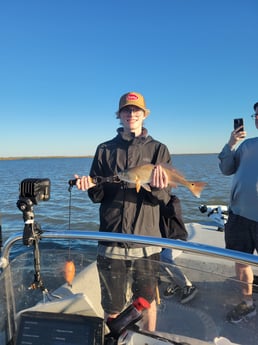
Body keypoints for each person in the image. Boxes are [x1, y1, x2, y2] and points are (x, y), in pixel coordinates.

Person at [74, 91, 172, 331]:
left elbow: (165, 198)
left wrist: (158, 188)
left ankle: (147, 338)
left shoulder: (159, 149)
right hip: (112, 239)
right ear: (119, 115)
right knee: (112, 304)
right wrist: (88, 186)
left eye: (136, 110)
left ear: (144, 115)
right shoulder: (104, 149)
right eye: (126, 110)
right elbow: (98, 195)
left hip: (146, 240)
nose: (131, 114)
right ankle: (116, 338)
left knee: (147, 302)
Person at [218, 102, 258, 323]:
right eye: (257, 115)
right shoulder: (246, 146)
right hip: (239, 217)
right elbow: (226, 169)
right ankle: (248, 303)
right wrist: (231, 144)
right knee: (241, 262)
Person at [159, 195, 198, 303]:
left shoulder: (174, 200)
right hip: (162, 242)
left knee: (164, 257)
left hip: (177, 239)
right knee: (153, 257)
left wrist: (156, 199)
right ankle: (175, 282)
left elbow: (171, 212)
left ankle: (187, 285)